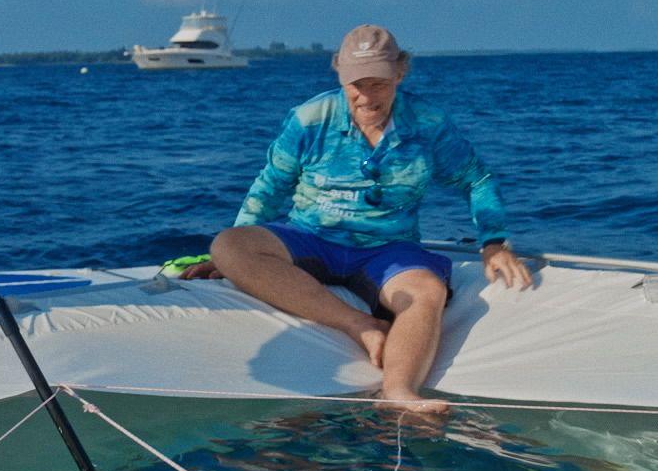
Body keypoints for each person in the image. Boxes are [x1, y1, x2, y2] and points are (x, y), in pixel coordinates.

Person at [185, 25, 533, 412]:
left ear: (400, 73)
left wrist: (494, 242)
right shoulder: (309, 119)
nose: (366, 96)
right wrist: (225, 262)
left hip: (387, 249)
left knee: (426, 293)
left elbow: (476, 179)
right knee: (230, 244)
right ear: (338, 73)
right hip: (310, 236)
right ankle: (361, 325)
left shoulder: (429, 125)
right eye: (356, 84)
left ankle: (399, 392)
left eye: (379, 83)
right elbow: (269, 187)